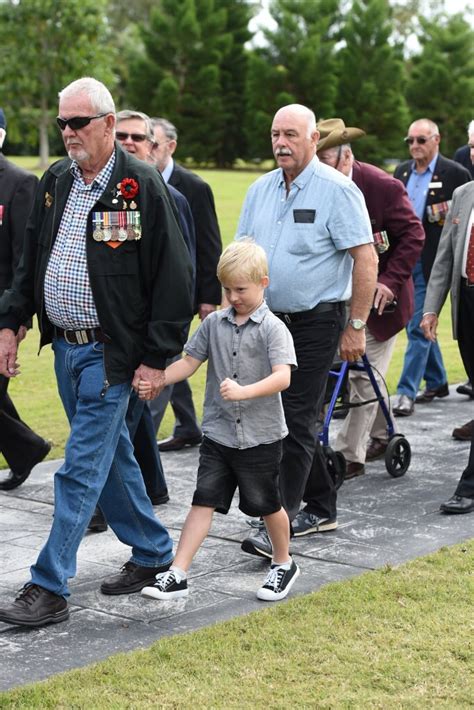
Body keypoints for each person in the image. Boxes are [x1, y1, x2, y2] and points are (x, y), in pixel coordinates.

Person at [0, 77, 194, 628]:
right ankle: (155, 552)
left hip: (113, 356)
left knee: (80, 467)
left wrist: (156, 358)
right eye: (62, 122)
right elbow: (29, 262)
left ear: (109, 124)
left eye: (78, 122)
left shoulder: (142, 186)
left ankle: (49, 585)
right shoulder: (56, 180)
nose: (68, 132)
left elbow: (175, 280)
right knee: (111, 461)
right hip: (65, 349)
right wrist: (10, 323)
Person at [239, 104, 377, 556]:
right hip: (267, 322)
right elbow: (243, 255)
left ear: (314, 139)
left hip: (318, 321)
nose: (281, 143)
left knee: (295, 419)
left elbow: (366, 258)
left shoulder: (338, 191)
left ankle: (276, 521)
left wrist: (356, 325)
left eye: (291, 135)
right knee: (278, 416)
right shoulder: (259, 189)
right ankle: (321, 503)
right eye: (275, 134)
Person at [140, 240, 300, 602]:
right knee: (203, 500)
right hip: (218, 434)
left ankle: (283, 562)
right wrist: (160, 379)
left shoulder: (273, 328)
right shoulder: (213, 324)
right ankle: (178, 571)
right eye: (227, 289)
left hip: (260, 437)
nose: (233, 296)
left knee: (267, 503)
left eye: (241, 289)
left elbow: (283, 377)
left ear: (263, 282)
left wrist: (244, 392)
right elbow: (189, 362)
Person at [86, 109, 198, 533]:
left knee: (117, 425)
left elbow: (181, 271)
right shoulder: (103, 195)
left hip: (149, 337)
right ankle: (153, 486)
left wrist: (165, 339)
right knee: (129, 422)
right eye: (125, 136)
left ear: (153, 146)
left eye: (139, 137)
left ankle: (102, 503)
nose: (130, 143)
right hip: (110, 336)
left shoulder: (174, 198)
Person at [316, 118, 424, 479]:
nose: (318, 169)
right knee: (360, 374)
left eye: (325, 160)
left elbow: (413, 235)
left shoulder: (381, 186)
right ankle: (383, 433)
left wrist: (389, 281)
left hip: (381, 304)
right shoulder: (317, 189)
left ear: (346, 158)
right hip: (335, 298)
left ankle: (350, 456)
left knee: (361, 374)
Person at [148, 117, 222, 451]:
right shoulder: (138, 180)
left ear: (171, 146)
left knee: (166, 357)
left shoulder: (193, 187)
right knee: (170, 355)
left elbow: (209, 245)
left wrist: (208, 297)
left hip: (184, 294)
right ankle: (189, 425)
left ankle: (143, 445)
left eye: (154, 143)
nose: (147, 149)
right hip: (150, 293)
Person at [392, 119, 471, 417]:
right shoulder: (401, 172)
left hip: (433, 261)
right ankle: (437, 380)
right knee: (418, 324)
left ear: (436, 140)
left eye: (421, 140)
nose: (414, 146)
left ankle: (405, 392)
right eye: (410, 140)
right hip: (404, 260)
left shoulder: (455, 173)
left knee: (416, 325)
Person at [0, 108, 51, 490]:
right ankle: (27, 448)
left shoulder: (19, 182)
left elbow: (24, 257)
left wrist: (17, 317)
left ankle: (27, 448)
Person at [421, 181, 474, 514]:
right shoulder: (462, 194)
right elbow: (444, 259)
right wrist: (431, 309)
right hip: (467, 302)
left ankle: (469, 486)